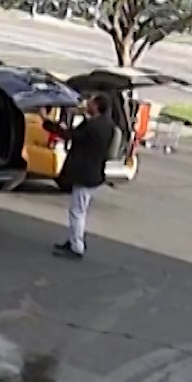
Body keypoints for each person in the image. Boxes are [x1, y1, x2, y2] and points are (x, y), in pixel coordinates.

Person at [43, 94, 121, 260]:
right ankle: (73, 240)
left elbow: (71, 135)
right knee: (79, 209)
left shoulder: (94, 127)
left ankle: (76, 247)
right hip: (93, 172)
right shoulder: (105, 124)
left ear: (97, 106)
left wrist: (47, 122)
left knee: (77, 211)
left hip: (86, 174)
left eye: (90, 102)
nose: (87, 104)